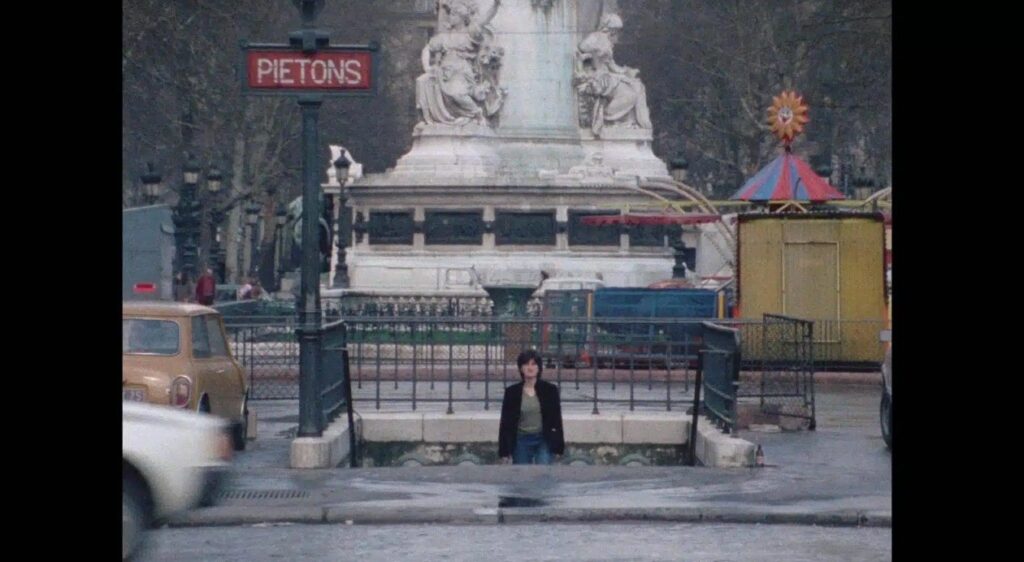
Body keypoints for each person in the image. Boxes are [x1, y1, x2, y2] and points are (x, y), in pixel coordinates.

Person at [575, 13, 652, 137]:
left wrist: (626, 72)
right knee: (630, 92)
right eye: (615, 30)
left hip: (608, 74)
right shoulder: (596, 37)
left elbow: (611, 65)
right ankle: (609, 118)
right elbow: (582, 47)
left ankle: (633, 121)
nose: (616, 34)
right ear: (609, 28)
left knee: (637, 86)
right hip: (599, 76)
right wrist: (590, 55)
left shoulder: (609, 42)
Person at [498, 349, 565, 465]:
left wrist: (559, 447)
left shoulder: (550, 390)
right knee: (522, 476)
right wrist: (504, 451)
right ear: (521, 368)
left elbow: (556, 420)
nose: (530, 368)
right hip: (521, 440)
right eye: (526, 364)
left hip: (543, 439)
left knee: (543, 475)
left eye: (533, 364)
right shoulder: (512, 392)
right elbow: (505, 423)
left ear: (539, 368)